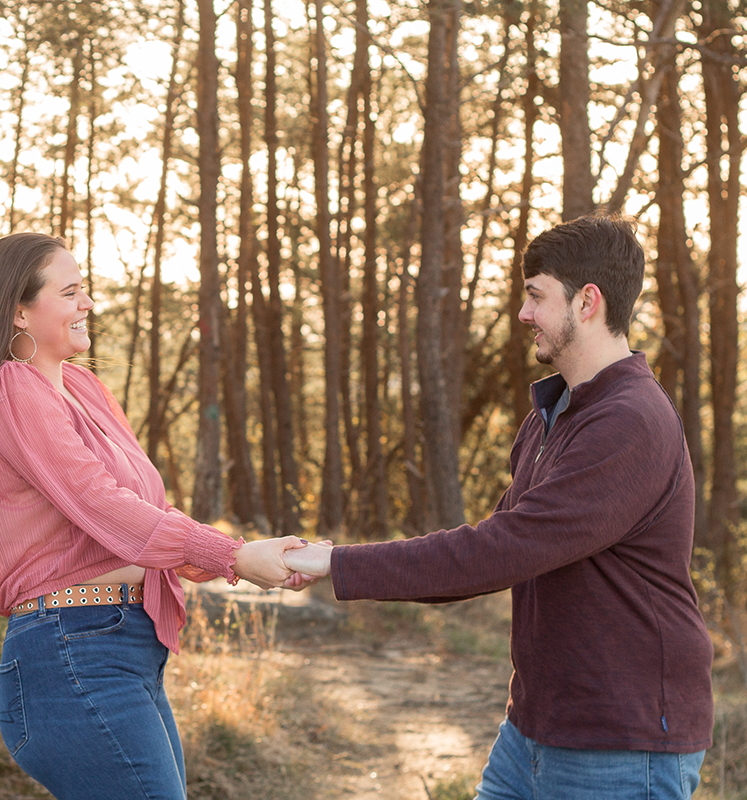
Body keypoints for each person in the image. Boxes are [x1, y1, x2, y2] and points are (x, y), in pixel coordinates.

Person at [286, 213, 714, 799]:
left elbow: (501, 550)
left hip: (620, 742)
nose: (523, 314)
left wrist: (336, 563)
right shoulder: (554, 415)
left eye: (536, 296)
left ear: (587, 302)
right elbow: (492, 551)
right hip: (533, 731)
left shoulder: (629, 421)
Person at [0, 232, 308, 800]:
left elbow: (140, 509)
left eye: (85, 290)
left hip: (120, 648)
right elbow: (101, 505)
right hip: (71, 652)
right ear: (19, 310)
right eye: (71, 292)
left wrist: (250, 550)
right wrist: (231, 556)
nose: (88, 304)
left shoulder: (83, 389)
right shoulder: (13, 390)